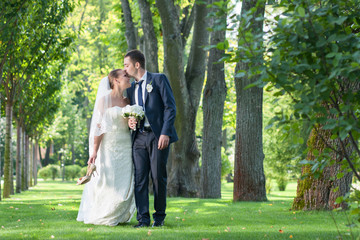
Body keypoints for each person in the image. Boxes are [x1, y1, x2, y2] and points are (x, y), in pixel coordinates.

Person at [124, 49, 178, 228]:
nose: (124, 69)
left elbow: (170, 107)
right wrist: (131, 121)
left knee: (157, 177)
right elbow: (134, 111)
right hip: (138, 137)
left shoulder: (159, 79)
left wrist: (165, 132)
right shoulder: (131, 88)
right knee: (140, 179)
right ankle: (143, 220)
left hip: (158, 137)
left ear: (137, 65)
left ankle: (159, 218)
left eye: (127, 65)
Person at [77, 69, 136, 226]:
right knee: (106, 179)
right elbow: (99, 127)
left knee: (124, 179)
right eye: (125, 76)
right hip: (108, 146)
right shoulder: (104, 101)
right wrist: (94, 151)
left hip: (125, 145)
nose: (128, 77)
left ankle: (118, 213)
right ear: (115, 80)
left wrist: (132, 122)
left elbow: (130, 123)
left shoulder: (128, 102)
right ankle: (104, 213)